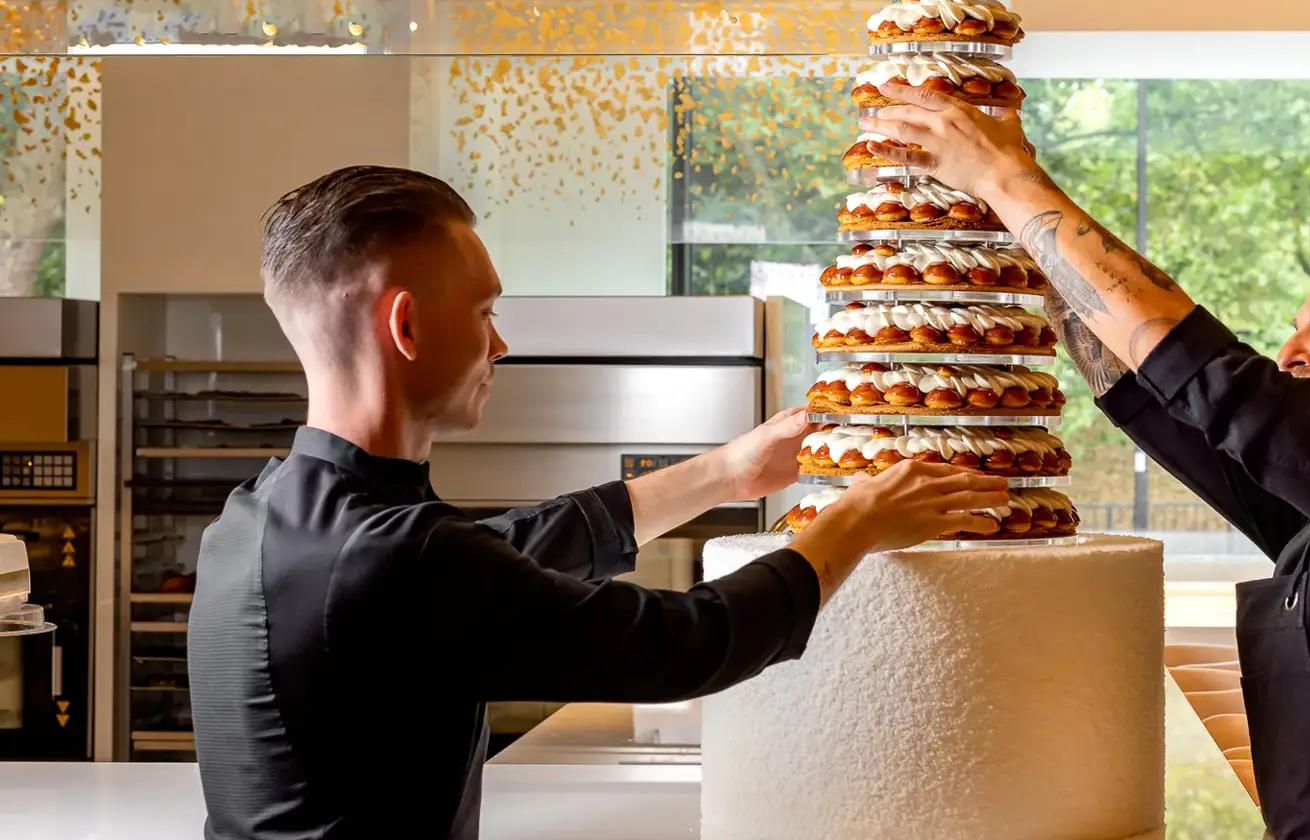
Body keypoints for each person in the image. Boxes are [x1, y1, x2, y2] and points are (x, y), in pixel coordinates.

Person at [187, 165, 1010, 840]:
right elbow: (687, 643)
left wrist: (727, 472)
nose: (499, 343)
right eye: (484, 311)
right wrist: (856, 523)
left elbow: (506, 554)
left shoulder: (253, 520)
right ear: (406, 326)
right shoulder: (406, 557)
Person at [858, 84, 1310, 839]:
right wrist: (1008, 213)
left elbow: (1213, 378)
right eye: (1297, 328)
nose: (1291, 351)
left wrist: (1007, 178)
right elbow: (1161, 396)